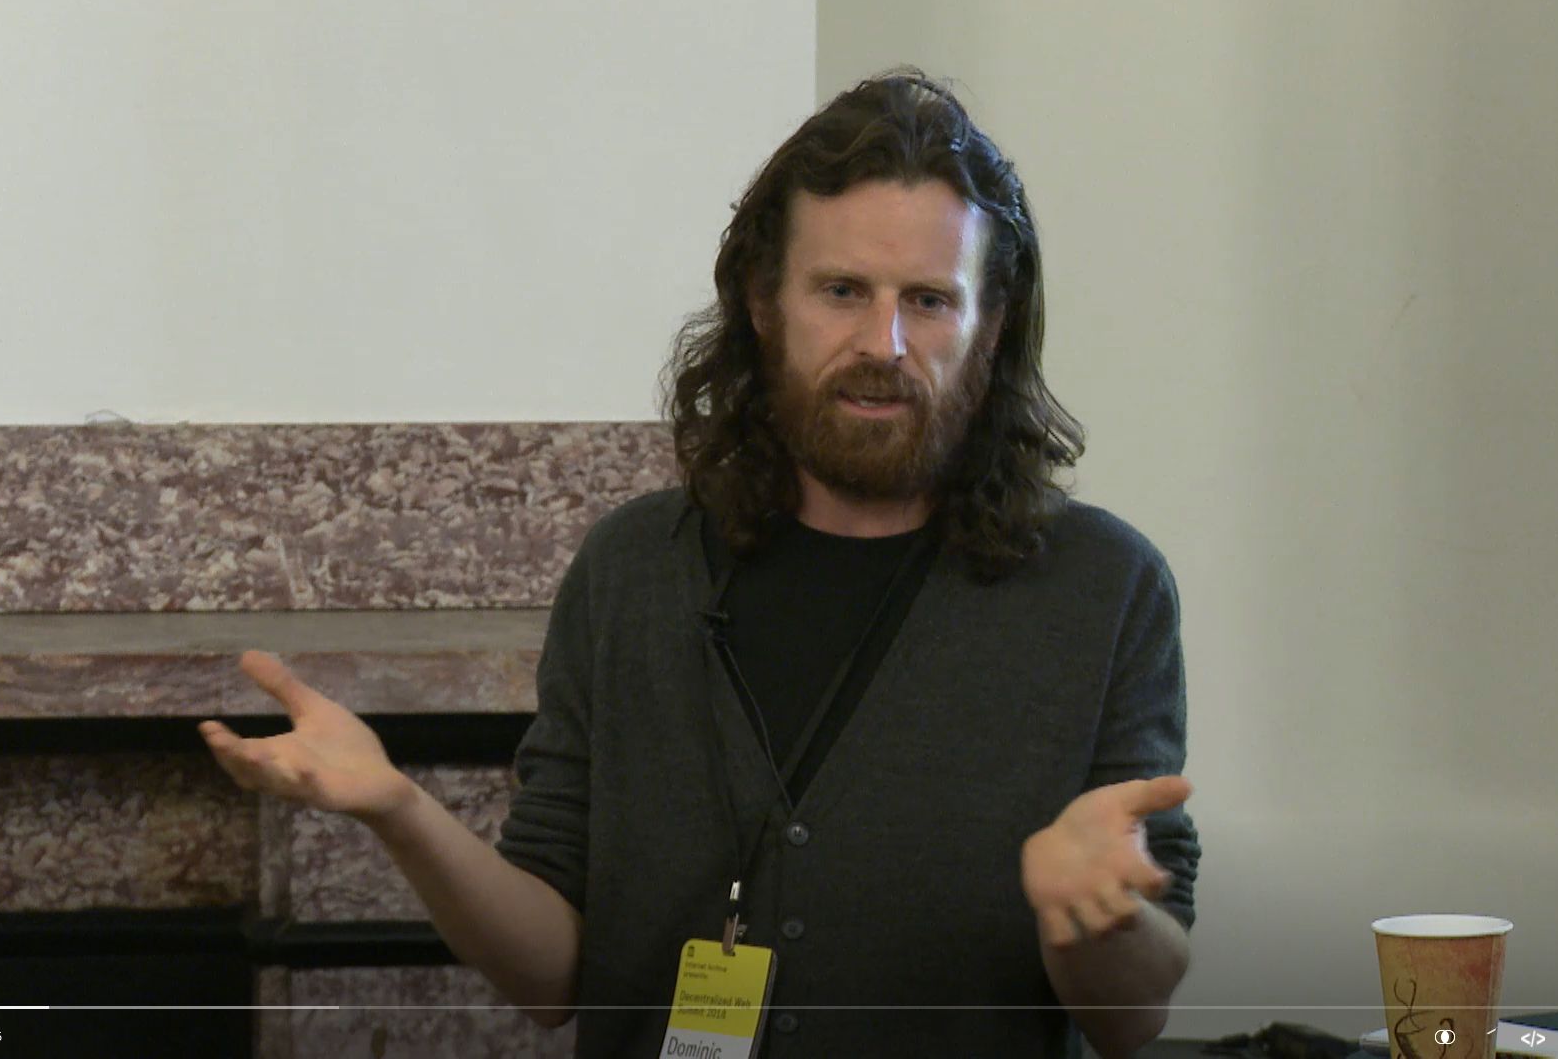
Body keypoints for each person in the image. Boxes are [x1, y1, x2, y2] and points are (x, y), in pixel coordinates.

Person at [200, 66, 1200, 1059]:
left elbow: (1133, 1018)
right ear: (765, 303)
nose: (884, 342)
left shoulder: (1104, 590)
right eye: (842, 291)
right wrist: (398, 809)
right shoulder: (633, 570)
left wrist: (1099, 918)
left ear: (990, 327)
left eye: (930, 301)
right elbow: (548, 978)